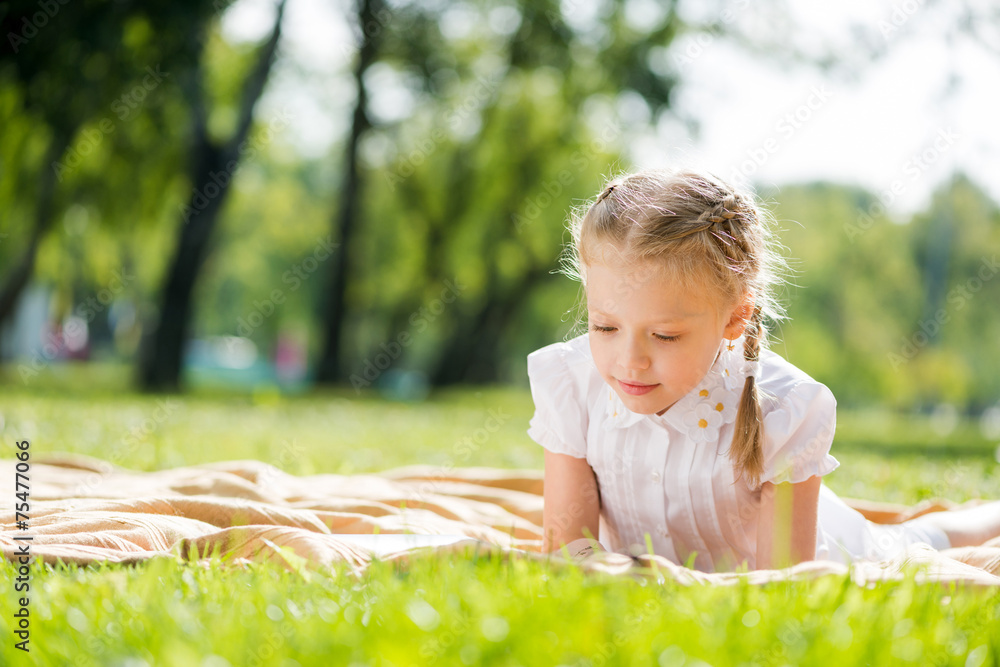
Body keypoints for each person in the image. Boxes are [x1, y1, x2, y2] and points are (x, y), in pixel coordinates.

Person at [526, 168, 1000, 572]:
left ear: (734, 318)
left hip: (837, 552)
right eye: (605, 327)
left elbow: (780, 583)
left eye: (665, 335)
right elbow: (566, 547)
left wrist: (657, 584)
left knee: (918, 543)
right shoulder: (572, 383)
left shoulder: (783, 406)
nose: (629, 360)